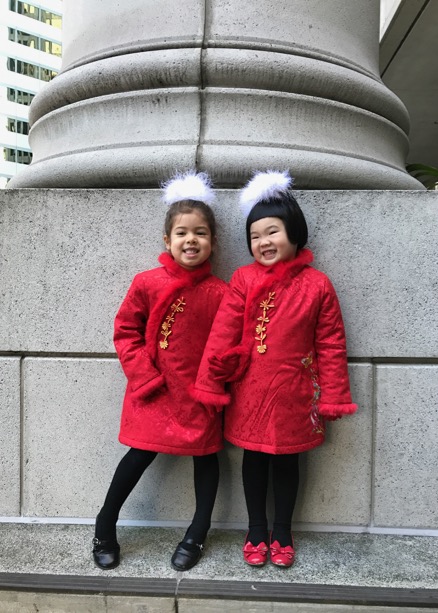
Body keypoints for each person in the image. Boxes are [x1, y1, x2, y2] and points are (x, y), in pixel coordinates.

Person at [194, 170, 357, 568]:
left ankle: (282, 530)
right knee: (253, 460)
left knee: (288, 461)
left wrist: (334, 396)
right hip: (250, 390)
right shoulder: (243, 279)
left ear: (295, 232)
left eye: (272, 232)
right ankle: (254, 528)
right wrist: (210, 384)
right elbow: (222, 334)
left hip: (296, 394)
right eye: (255, 236)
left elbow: (331, 344)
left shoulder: (318, 285)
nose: (263, 242)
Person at [92, 171, 226, 572]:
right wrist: (145, 377)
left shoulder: (222, 292)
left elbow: (228, 346)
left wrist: (216, 384)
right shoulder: (146, 283)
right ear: (167, 241)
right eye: (182, 232)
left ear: (213, 243)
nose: (191, 240)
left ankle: (197, 533)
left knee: (207, 458)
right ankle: (104, 526)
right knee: (137, 457)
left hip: (199, 396)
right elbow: (125, 332)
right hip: (152, 392)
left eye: (200, 233)